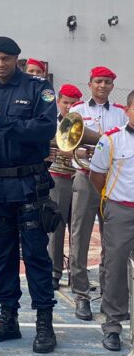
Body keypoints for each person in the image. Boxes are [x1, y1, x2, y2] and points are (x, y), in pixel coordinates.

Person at [0, 36, 58, 354]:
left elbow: (46, 129)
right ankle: (8, 320)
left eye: (5, 59)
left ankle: (44, 325)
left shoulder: (38, 90)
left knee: (35, 255)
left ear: (17, 59)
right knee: (4, 255)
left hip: (29, 183)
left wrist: (6, 122)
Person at [68, 66, 127, 321]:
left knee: (111, 239)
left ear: (112, 86)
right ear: (90, 83)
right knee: (79, 235)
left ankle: (108, 292)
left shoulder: (120, 114)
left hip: (111, 181)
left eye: (107, 82)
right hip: (84, 176)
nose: (103, 86)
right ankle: (81, 294)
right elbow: (67, 144)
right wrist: (81, 153)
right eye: (98, 81)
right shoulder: (77, 110)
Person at [89, 90, 134, 351]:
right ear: (127, 110)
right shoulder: (112, 140)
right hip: (121, 210)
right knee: (116, 267)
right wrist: (112, 199)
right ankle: (114, 324)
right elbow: (97, 175)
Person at [47, 84, 82, 290]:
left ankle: (76, 274)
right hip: (58, 176)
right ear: (58, 103)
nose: (69, 107)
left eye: (73, 104)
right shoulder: (51, 123)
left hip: (77, 176)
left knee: (77, 229)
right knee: (56, 226)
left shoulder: (81, 123)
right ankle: (54, 271)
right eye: (65, 103)